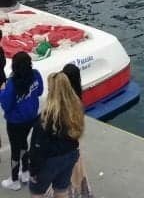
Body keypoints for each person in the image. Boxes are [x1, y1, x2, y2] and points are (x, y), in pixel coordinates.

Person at [29, 72, 84, 198]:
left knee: (37, 192)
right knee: (61, 190)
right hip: (70, 154)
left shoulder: (45, 117)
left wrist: (33, 169)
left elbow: (37, 147)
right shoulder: (75, 111)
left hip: (50, 160)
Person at [0, 51, 44, 191]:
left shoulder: (12, 83)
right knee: (24, 143)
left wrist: (2, 91)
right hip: (31, 118)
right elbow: (40, 91)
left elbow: (6, 105)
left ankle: (14, 180)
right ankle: (25, 172)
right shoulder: (36, 75)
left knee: (15, 149)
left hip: (15, 122)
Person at [62, 64, 93, 198]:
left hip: (66, 144)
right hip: (75, 143)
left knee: (69, 174)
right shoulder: (78, 97)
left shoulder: (66, 101)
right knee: (79, 171)